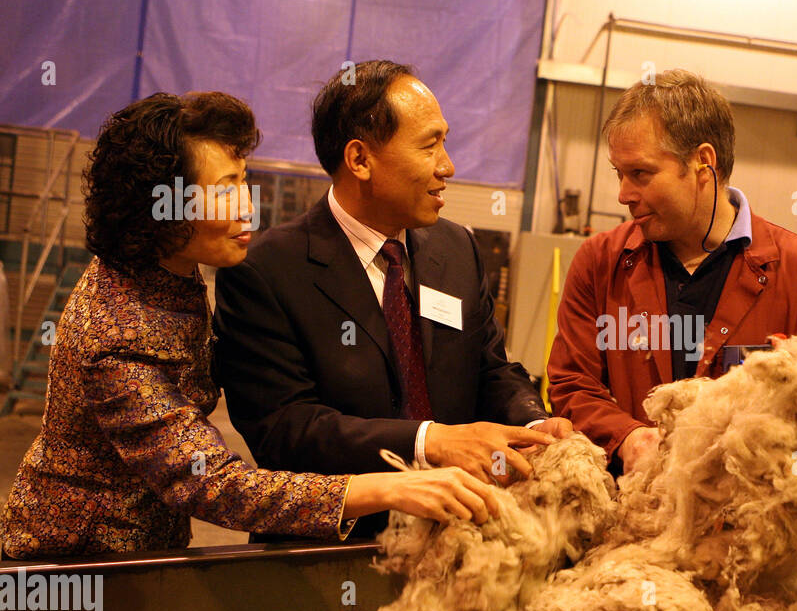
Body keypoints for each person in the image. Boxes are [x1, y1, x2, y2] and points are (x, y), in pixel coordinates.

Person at [0, 92, 498, 560]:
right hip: (71, 566)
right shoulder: (115, 332)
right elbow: (211, 483)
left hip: (149, 555)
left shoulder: (167, 272)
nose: (246, 207)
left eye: (243, 180)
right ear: (160, 207)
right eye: (223, 190)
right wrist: (389, 486)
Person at [214, 61, 570, 543]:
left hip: (458, 541)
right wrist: (429, 443)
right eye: (430, 145)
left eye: (445, 142)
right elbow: (285, 429)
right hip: (331, 549)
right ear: (360, 160)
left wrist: (533, 421)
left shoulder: (456, 249)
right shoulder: (268, 271)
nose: (448, 166)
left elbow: (490, 368)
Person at [547, 69, 797, 472]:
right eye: (619, 173)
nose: (623, 194)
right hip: (629, 513)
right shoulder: (599, 263)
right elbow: (573, 383)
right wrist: (627, 436)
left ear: (703, 162)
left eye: (640, 174)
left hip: (755, 521)